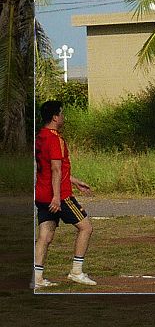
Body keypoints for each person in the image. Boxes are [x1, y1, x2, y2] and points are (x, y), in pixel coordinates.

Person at [34, 100, 96, 287]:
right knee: (86, 228)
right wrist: (56, 197)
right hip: (59, 196)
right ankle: (76, 271)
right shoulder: (55, 139)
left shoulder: (40, 136)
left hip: (42, 194)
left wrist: (74, 181)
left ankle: (37, 277)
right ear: (55, 117)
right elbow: (56, 169)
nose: (63, 117)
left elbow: (49, 168)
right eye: (61, 113)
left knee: (45, 236)